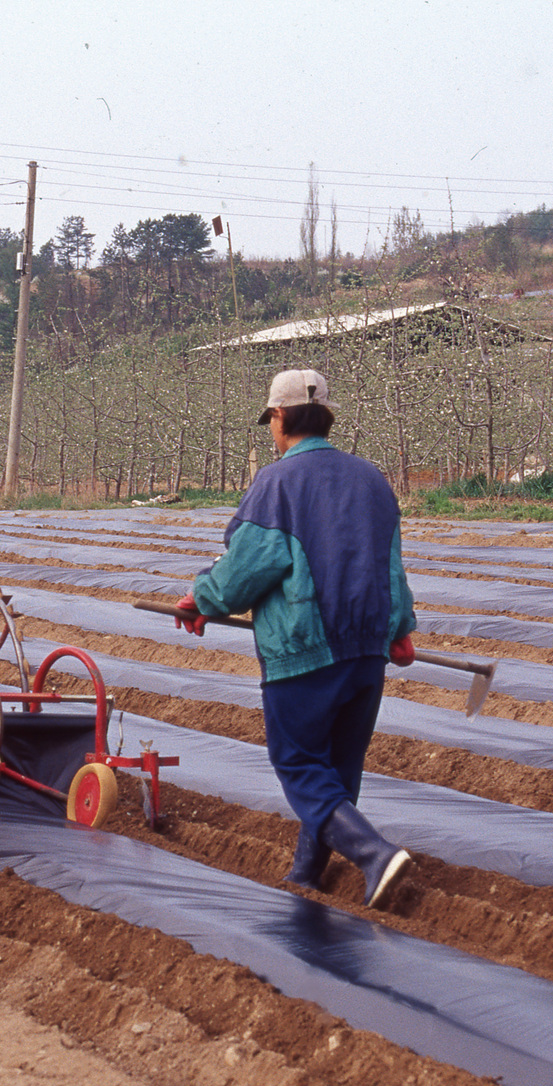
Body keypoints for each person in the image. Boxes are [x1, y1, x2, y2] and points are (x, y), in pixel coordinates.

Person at [177, 369, 419, 910]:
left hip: (306, 652)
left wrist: (202, 599)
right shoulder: (372, 480)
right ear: (327, 416)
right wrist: (400, 629)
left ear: (280, 417)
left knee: (300, 764)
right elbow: (392, 567)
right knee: (338, 769)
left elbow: (246, 569)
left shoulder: (277, 484)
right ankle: (306, 874)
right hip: (366, 654)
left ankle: (374, 854)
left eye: (271, 421)